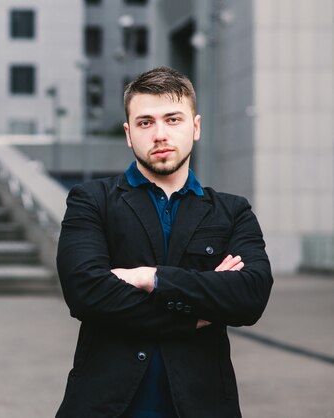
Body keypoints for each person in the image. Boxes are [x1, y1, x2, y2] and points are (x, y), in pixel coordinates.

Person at [56, 67, 273, 418]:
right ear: (128, 134)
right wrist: (195, 314)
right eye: (145, 122)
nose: (160, 134)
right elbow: (85, 292)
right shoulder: (91, 200)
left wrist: (150, 277)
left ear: (195, 127)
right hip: (105, 406)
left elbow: (250, 295)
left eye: (173, 119)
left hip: (202, 406)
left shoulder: (232, 211)